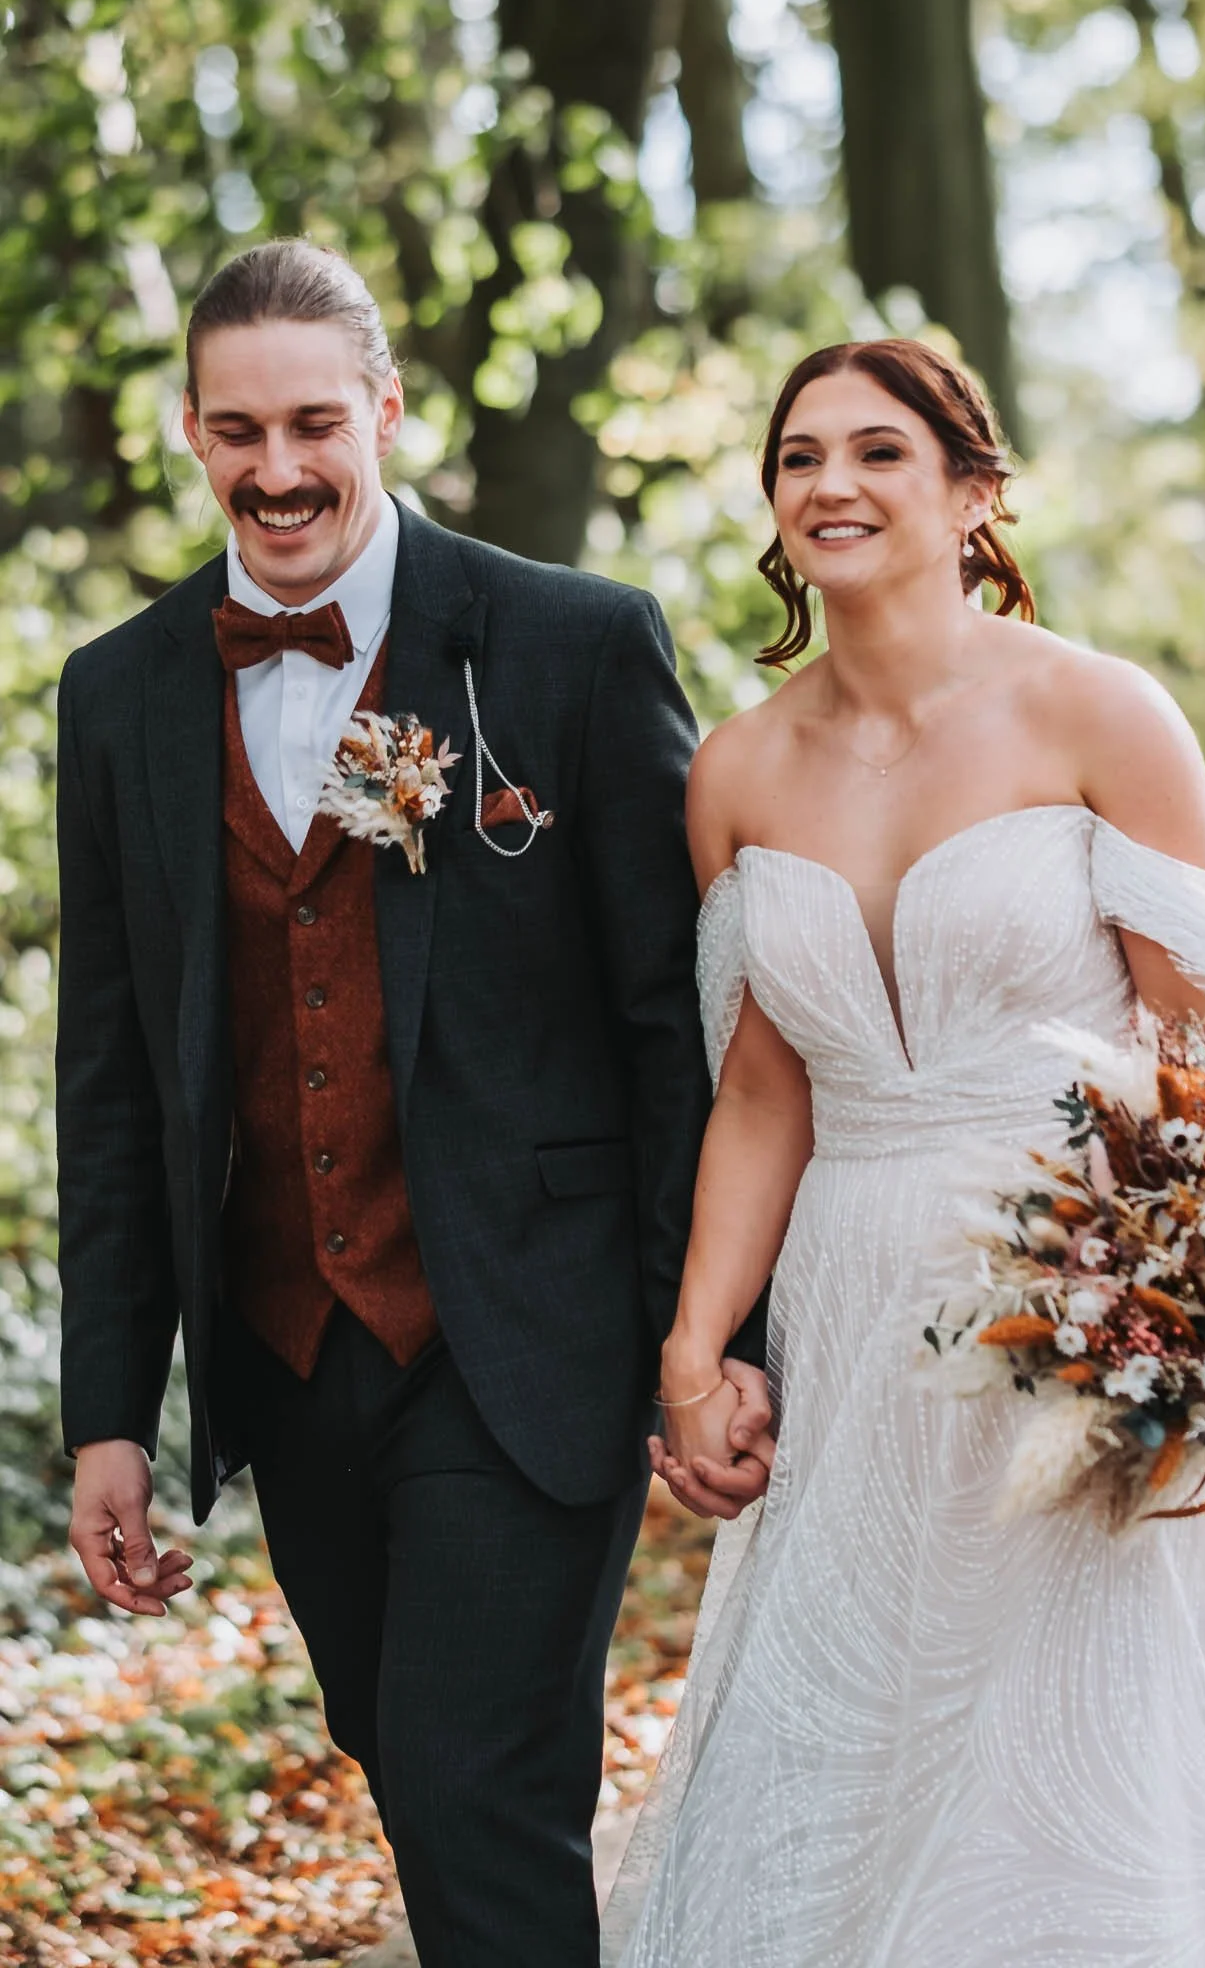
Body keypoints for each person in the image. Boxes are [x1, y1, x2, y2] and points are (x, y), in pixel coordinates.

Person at [604, 338, 1205, 1967]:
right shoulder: (735, 769)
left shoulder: (1099, 712)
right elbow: (763, 1094)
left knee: (1103, 1741)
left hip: (1091, 1300)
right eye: (800, 457)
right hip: (858, 1311)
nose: (832, 485)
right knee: (865, 1734)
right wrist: (690, 1348)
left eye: (880, 452)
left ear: (972, 492)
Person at [54, 238, 770, 1968]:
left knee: (476, 1781)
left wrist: (714, 1339)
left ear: (386, 408)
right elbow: (112, 1078)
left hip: (524, 1333)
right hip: (288, 1351)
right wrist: (110, 1412)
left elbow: (676, 1030)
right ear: (193, 433)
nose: (279, 470)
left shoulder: (569, 646)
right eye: (238, 431)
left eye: (314, 421)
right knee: (404, 1749)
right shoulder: (121, 692)